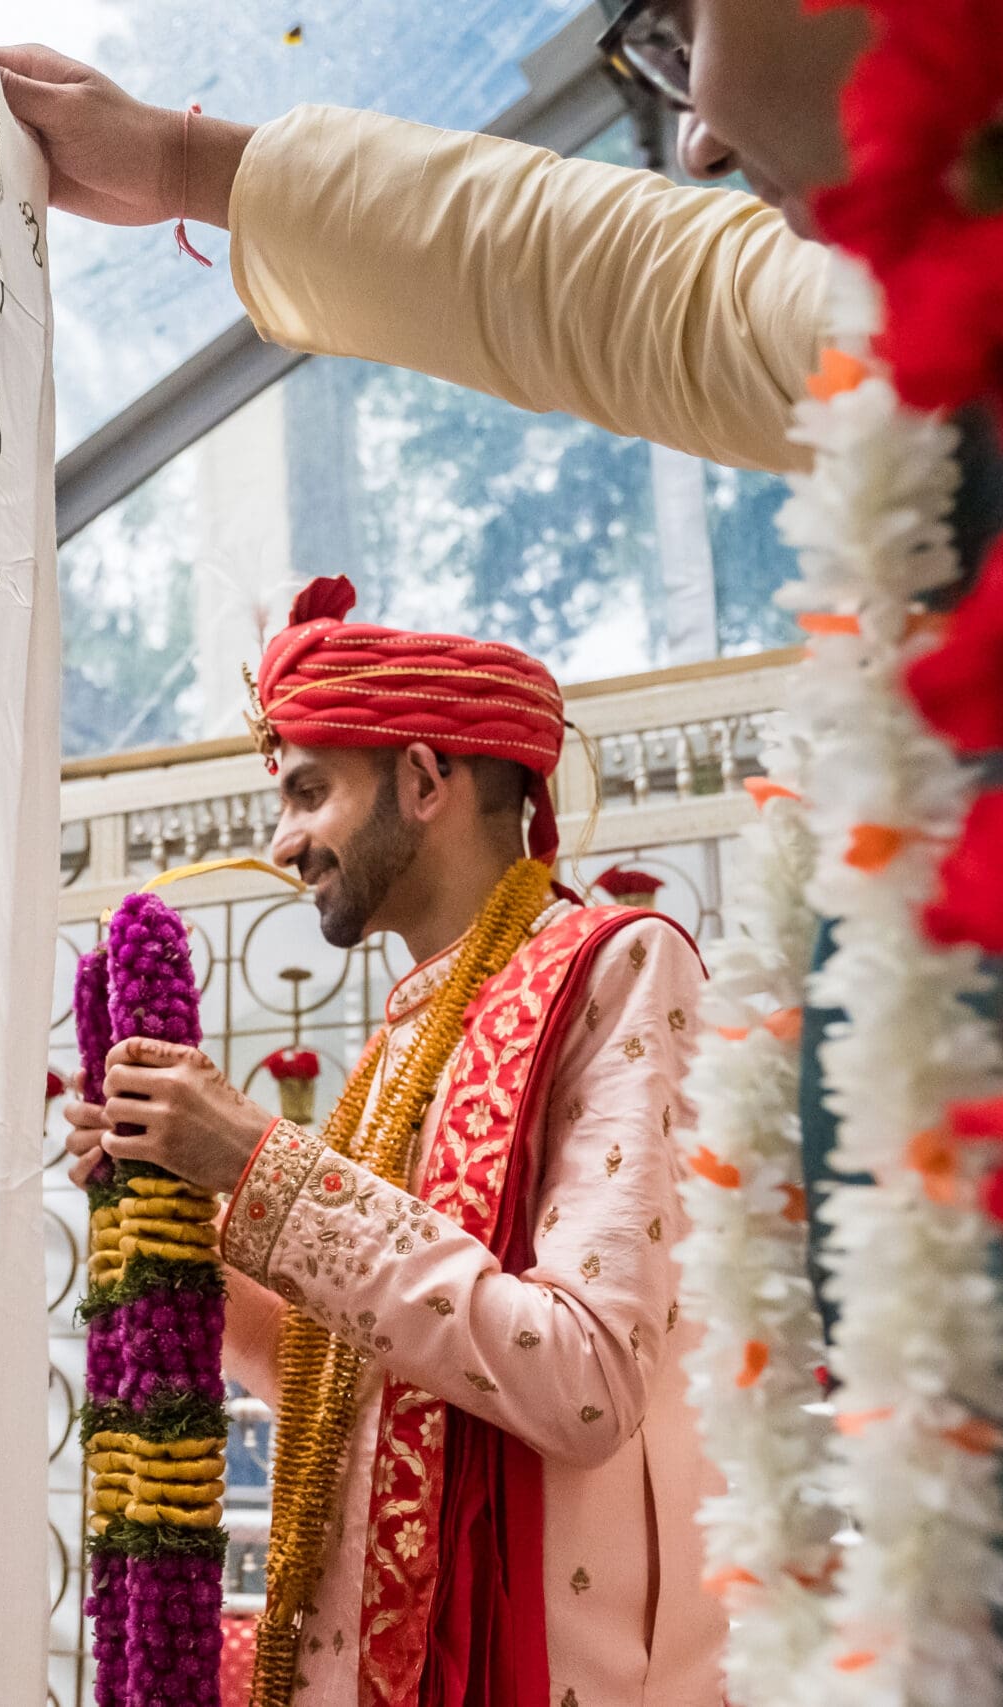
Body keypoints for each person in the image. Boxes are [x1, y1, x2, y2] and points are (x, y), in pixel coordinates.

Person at [64, 576, 718, 1707]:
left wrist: (256, 1164)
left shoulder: (616, 967)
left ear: (424, 779)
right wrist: (175, 1218)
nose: (283, 843)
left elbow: (584, 1382)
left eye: (308, 792)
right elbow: (338, 1386)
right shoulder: (396, 1053)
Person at [0, 0, 1003, 478]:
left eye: (678, 34)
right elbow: (647, 294)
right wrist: (190, 164)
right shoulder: (963, 300)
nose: (701, 139)